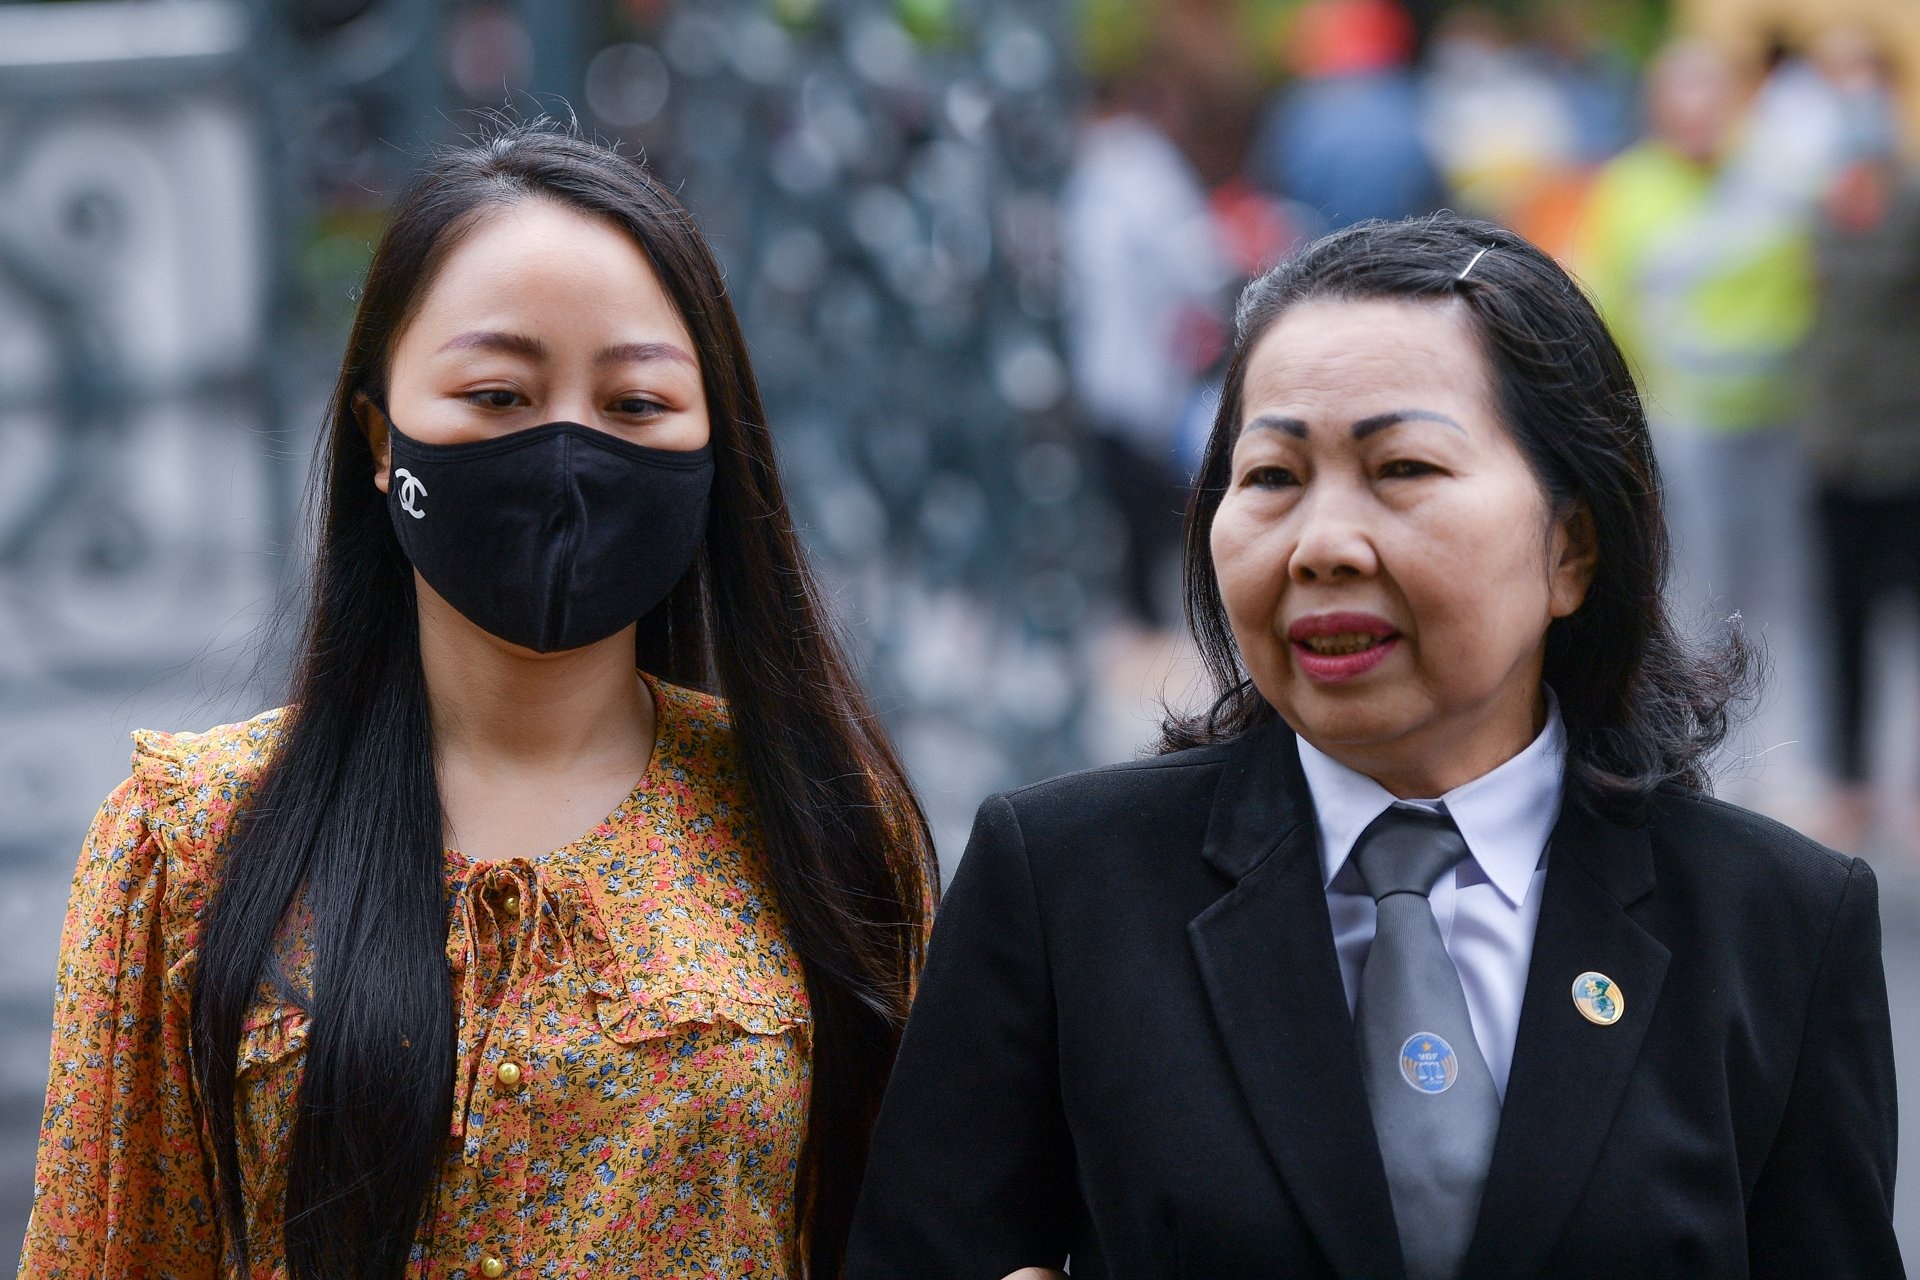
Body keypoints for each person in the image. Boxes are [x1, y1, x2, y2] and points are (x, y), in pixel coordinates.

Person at [844, 214, 1901, 1279]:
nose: (1322, 545)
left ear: (1571, 547)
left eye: (1400, 466)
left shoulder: (1779, 926)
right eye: (1270, 476)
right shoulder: (1063, 879)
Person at [18, 124, 936, 1279]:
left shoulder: (814, 819)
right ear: (376, 434)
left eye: (637, 403)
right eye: (498, 393)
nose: (565, 452)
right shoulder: (189, 844)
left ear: (716, 447)